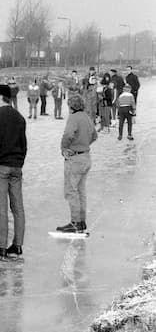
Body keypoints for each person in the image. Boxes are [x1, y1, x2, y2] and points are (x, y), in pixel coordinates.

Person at [0, 85, 28, 258]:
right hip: (16, 166)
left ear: (0, 97)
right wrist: (19, 162)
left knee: (1, 207)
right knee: (18, 207)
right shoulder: (19, 117)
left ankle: (2, 246)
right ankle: (17, 244)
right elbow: (24, 144)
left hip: (0, 166)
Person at [57, 94, 97, 234]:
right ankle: (81, 221)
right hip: (86, 157)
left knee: (71, 191)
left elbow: (68, 134)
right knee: (81, 191)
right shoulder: (86, 117)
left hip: (75, 159)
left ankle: (75, 222)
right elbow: (94, 135)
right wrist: (84, 144)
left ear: (71, 106)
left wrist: (64, 149)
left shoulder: (73, 118)